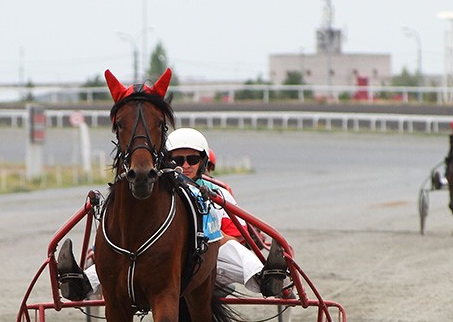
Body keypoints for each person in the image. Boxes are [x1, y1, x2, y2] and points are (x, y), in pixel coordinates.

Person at [56, 127, 286, 300]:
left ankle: (264, 279)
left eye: (192, 159)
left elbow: (237, 235)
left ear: (203, 162)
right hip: (160, 265)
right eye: (178, 159)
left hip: (209, 263)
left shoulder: (219, 193)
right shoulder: (158, 196)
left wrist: (212, 240)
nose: (185, 165)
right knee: (123, 257)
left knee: (230, 248)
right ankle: (82, 284)